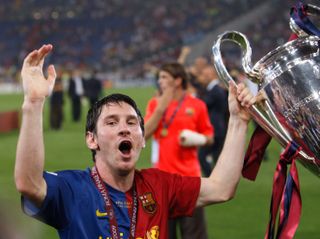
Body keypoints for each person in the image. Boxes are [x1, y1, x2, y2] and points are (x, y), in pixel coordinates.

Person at [15, 44, 255, 239]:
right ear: (91, 140)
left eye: (132, 123)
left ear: (142, 140)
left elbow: (222, 188)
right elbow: (29, 184)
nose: (124, 129)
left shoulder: (160, 185)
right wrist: (34, 104)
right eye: (111, 122)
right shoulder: (73, 189)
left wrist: (238, 120)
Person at [144, 62, 214, 239]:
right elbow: (143, 135)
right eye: (159, 77)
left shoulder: (197, 105)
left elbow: (209, 137)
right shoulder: (154, 104)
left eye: (164, 77)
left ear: (177, 80)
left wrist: (196, 138)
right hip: (162, 181)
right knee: (164, 234)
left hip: (189, 180)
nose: (160, 81)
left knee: (194, 235)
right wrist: (161, 108)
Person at [197, 65, 229, 176]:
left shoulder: (215, 90)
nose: (203, 77)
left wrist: (192, 97)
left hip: (214, 129)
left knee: (202, 155)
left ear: (212, 75)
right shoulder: (214, 89)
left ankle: (210, 178)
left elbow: (203, 104)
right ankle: (217, 179)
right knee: (216, 156)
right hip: (218, 128)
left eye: (205, 75)